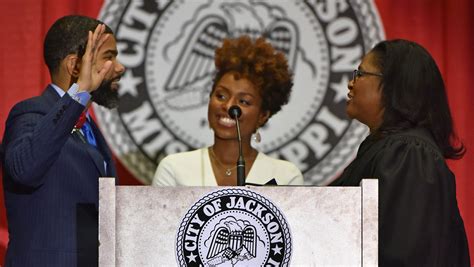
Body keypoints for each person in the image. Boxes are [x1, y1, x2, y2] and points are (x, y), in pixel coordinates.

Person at [331, 39, 470, 265]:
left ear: (393, 85)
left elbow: (402, 257)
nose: (350, 83)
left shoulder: (409, 153)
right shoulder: (388, 147)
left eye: (360, 73)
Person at [1, 15, 125, 266]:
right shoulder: (30, 113)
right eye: (109, 57)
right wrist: (78, 93)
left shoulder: (90, 127)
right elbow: (24, 169)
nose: (119, 67)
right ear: (75, 66)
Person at [153, 36, 304, 186]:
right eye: (221, 96)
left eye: (243, 101)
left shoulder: (285, 176)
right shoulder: (174, 169)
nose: (229, 106)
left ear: (263, 115)